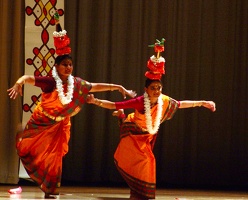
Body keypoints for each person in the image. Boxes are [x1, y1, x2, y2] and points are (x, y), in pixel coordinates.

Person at [7, 12, 136, 199]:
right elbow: (28, 78)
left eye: (70, 65)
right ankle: (34, 163)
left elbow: (95, 86)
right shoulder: (50, 81)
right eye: (64, 65)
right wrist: (19, 83)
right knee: (32, 151)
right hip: (43, 123)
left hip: (60, 125)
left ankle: (51, 190)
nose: (68, 68)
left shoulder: (76, 83)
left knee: (55, 157)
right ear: (57, 67)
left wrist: (118, 87)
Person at [86, 39, 216, 200]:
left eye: (159, 88)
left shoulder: (164, 100)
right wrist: (95, 101)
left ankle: (139, 193)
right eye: (153, 88)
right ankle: (143, 193)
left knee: (145, 162)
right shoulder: (140, 101)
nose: (156, 91)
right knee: (147, 160)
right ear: (146, 90)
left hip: (147, 136)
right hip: (133, 135)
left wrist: (202, 103)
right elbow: (114, 104)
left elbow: (181, 104)